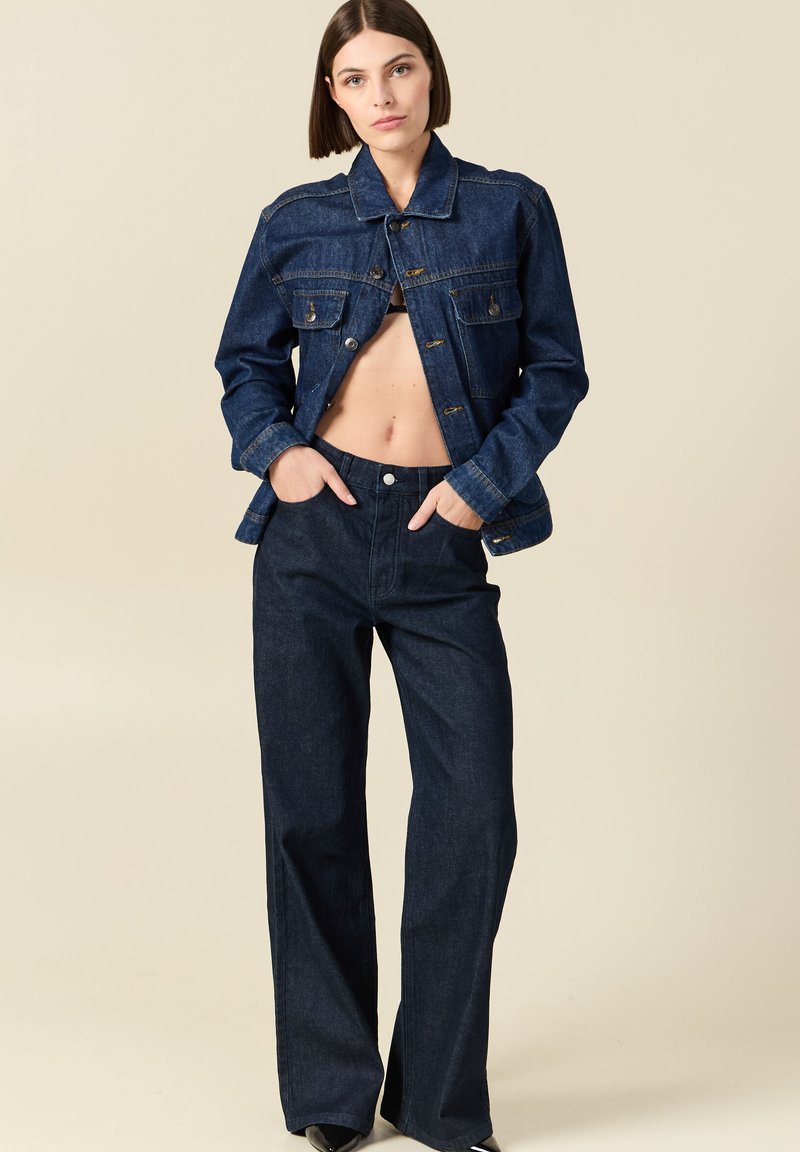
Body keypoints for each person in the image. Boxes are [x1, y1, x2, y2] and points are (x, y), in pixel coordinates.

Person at [213, 3, 589, 1151]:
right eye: (354, 77)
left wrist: (478, 486)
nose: (380, 94)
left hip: (438, 535)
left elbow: (554, 370)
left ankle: (434, 1096)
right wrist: (276, 454)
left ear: (431, 77)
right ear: (331, 97)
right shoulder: (294, 220)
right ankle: (333, 1098)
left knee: (472, 814)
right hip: (313, 538)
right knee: (312, 812)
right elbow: (244, 362)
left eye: (399, 68)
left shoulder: (508, 207)